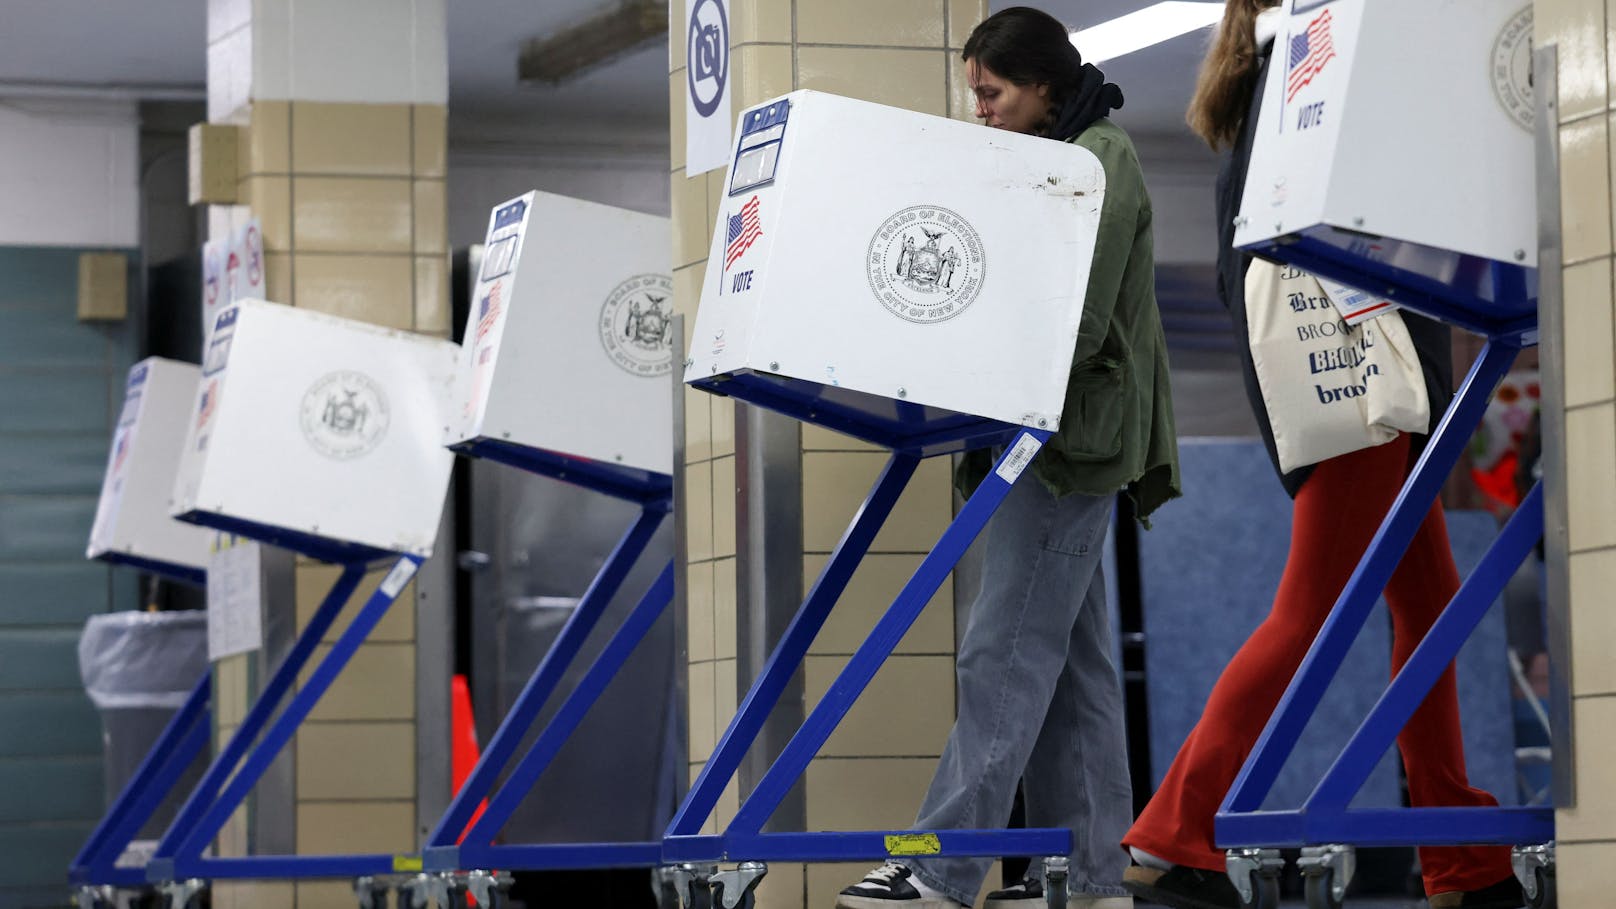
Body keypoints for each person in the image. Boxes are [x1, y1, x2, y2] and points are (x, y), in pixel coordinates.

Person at [1119, 4, 1523, 909]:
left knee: (1427, 607)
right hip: (1355, 381)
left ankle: (1460, 854)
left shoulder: (1275, 83)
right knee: (1307, 615)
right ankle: (1173, 830)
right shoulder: (1305, 69)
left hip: (1354, 377)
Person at [836, 8, 1180, 909]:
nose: (981, 110)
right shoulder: (1047, 161)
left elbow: (1081, 317)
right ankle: (1091, 874)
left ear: (1041, 86)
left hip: (1065, 444)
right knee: (1071, 665)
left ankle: (942, 866)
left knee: (1001, 651)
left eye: (991, 92)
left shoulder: (1100, 158)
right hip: (1039, 437)